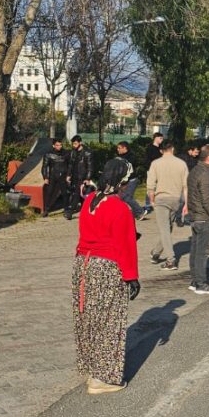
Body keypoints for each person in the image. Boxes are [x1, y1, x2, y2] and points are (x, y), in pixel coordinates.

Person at [72, 158, 140, 395]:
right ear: (122, 180)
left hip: (84, 265)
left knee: (89, 320)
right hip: (107, 267)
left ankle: (92, 370)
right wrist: (131, 276)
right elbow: (125, 245)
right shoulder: (120, 208)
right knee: (109, 322)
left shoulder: (90, 200)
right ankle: (104, 378)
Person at [146, 141, 188, 271]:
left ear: (160, 151)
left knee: (164, 230)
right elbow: (186, 186)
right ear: (173, 148)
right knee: (167, 228)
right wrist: (186, 203)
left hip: (161, 199)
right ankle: (156, 252)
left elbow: (150, 185)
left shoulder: (155, 164)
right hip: (176, 199)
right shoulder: (182, 164)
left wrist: (152, 200)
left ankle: (171, 260)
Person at [186, 145, 209, 295]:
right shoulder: (206, 174)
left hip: (196, 216)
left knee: (195, 251)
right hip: (205, 218)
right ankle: (200, 283)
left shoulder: (195, 171)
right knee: (202, 252)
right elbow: (207, 199)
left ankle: (195, 281)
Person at [112, 141, 144, 220]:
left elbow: (127, 167)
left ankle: (140, 211)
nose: (118, 150)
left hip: (132, 180)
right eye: (117, 148)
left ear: (125, 148)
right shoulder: (119, 156)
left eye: (119, 148)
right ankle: (130, 213)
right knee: (120, 197)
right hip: (123, 181)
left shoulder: (131, 157)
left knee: (126, 197)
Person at [65, 136, 94, 221]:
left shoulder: (88, 153)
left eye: (75, 143)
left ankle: (70, 212)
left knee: (77, 194)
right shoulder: (73, 152)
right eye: (73, 143)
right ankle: (86, 212)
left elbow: (90, 167)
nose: (74, 145)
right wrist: (68, 175)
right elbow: (70, 165)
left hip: (83, 177)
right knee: (80, 195)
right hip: (74, 176)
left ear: (80, 142)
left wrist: (88, 178)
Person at [41, 138, 69, 218]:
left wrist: (68, 175)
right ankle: (46, 210)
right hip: (52, 176)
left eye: (60, 145)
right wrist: (45, 177)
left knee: (65, 193)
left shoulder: (66, 153)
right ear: (53, 145)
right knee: (49, 193)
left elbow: (70, 165)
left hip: (63, 176)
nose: (59, 146)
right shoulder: (48, 154)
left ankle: (66, 210)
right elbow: (44, 167)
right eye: (57, 145)